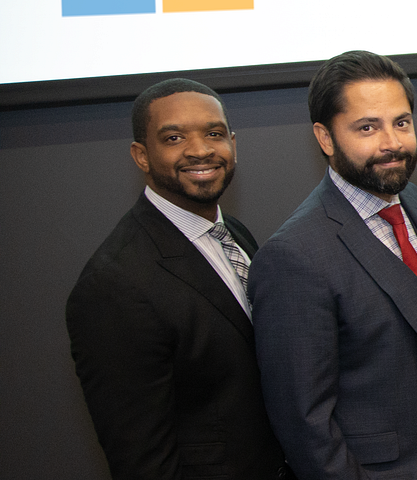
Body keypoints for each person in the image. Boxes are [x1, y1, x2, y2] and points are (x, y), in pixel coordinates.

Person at [250, 51, 417, 479]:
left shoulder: (412, 200)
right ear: (325, 137)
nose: (392, 142)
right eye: (367, 127)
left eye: (402, 122)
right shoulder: (293, 257)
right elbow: (305, 424)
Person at [65, 78, 290, 480]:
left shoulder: (233, 233)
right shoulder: (112, 286)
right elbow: (142, 459)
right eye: (173, 137)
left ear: (233, 143)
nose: (200, 150)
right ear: (141, 155)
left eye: (214, 134)